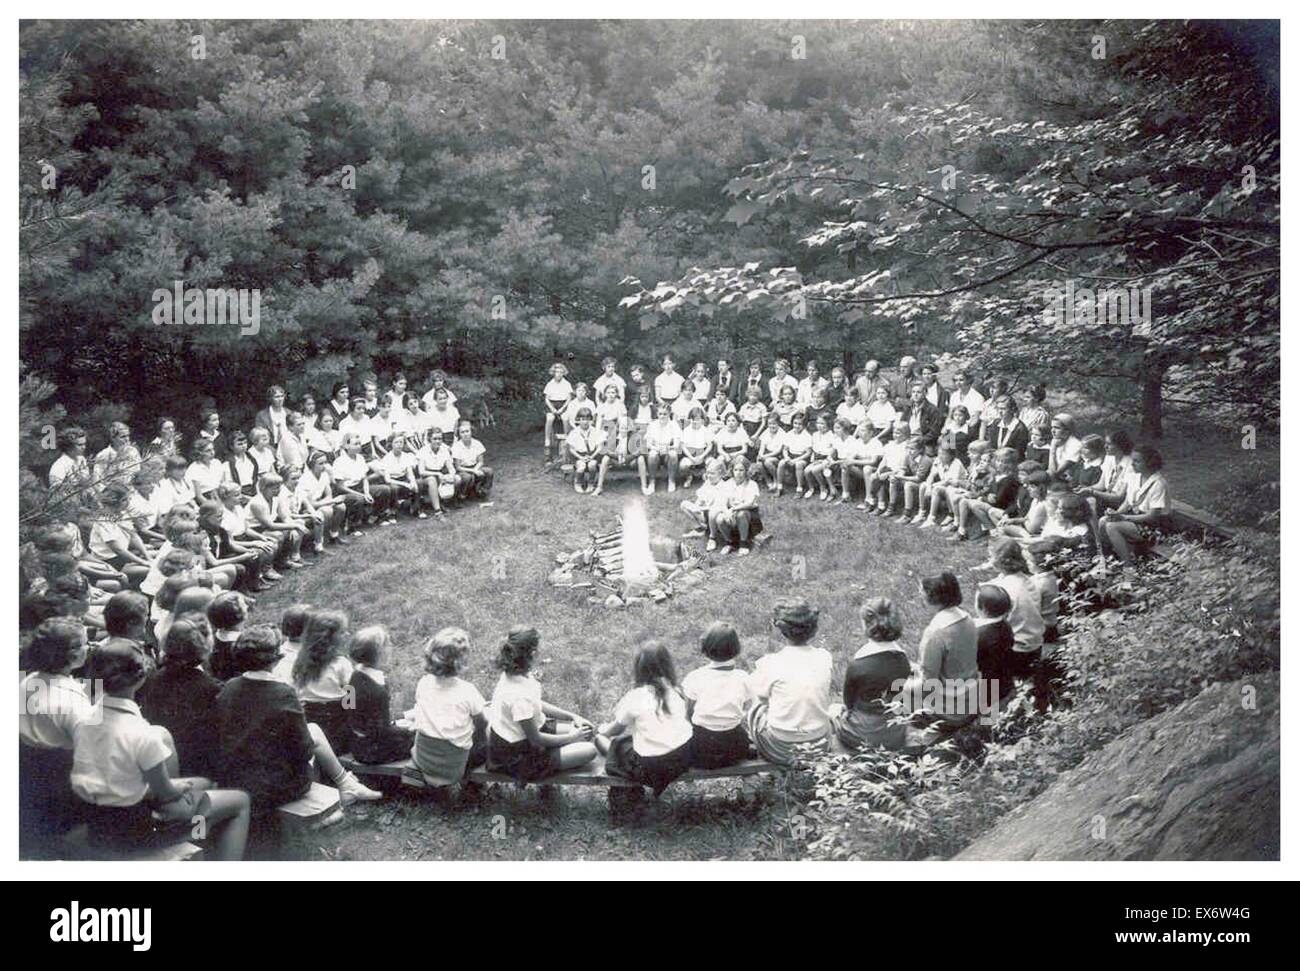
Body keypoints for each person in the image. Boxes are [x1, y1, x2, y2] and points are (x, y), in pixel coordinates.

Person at [73, 640, 252, 859]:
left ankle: (198, 830)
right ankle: (198, 837)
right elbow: (165, 793)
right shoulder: (142, 733)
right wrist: (182, 786)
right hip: (134, 833)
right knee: (239, 800)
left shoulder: (83, 719)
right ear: (140, 679)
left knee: (204, 784)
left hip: (97, 821)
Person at [217, 626, 380, 813]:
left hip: (237, 776)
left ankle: (345, 785)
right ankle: (342, 787)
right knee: (313, 736)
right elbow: (303, 747)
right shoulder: (285, 692)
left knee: (313, 729)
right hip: (275, 784)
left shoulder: (229, 687)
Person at [485, 626, 599, 781]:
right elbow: (536, 739)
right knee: (589, 750)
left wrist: (573, 716)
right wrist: (573, 737)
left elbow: (536, 704)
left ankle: (562, 748)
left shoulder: (518, 673)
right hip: (517, 755)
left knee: (586, 731)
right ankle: (550, 766)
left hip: (530, 734)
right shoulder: (518, 696)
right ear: (533, 653)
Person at [19, 617, 93, 857]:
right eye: (84, 643)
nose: (89, 647)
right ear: (70, 655)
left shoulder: (28, 680)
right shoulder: (73, 702)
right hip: (65, 787)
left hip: (30, 778)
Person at [599, 642, 695, 797]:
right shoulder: (678, 692)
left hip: (651, 767)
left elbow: (615, 729)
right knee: (634, 742)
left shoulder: (636, 697)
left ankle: (624, 789)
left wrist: (602, 731)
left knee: (616, 744)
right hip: (682, 759)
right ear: (668, 666)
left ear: (639, 669)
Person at [746, 601, 833, 765]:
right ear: (814, 629)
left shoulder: (769, 663)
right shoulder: (824, 657)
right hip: (819, 744)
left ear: (781, 630)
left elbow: (762, 698)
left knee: (756, 702)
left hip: (779, 749)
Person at [138, 616, 224, 779]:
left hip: (155, 763)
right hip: (190, 770)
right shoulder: (212, 689)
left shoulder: (150, 679)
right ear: (205, 646)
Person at [408, 627, 489, 788]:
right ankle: (475, 786)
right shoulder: (467, 690)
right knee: (488, 736)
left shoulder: (424, 682)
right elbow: (482, 723)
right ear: (462, 661)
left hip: (425, 758)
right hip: (454, 765)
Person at [832, 598, 911, 751]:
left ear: (867, 625)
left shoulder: (858, 664)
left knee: (833, 710)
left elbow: (848, 703)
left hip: (863, 736)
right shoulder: (903, 660)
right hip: (895, 732)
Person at [909, 571, 980, 728]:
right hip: (972, 695)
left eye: (922, 592)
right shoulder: (967, 618)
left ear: (932, 598)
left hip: (951, 710)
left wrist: (904, 685)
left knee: (895, 687)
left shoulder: (935, 633)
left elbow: (928, 684)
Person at [682, 622, 753, 768]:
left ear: (705, 648)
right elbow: (746, 707)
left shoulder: (695, 677)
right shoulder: (743, 677)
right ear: (736, 649)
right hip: (735, 748)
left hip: (702, 748)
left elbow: (688, 712)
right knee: (741, 735)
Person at [346, 626, 416, 764]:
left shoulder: (354, 676)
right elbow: (382, 732)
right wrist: (408, 729)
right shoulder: (377, 690)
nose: (391, 647)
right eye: (388, 645)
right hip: (373, 751)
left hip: (356, 743)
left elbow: (347, 706)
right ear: (380, 652)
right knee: (421, 740)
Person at [291, 609, 355, 756]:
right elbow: (350, 699)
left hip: (308, 723)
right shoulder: (341, 664)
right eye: (343, 632)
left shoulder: (300, 662)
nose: (347, 635)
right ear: (329, 637)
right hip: (336, 724)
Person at [1102, 444, 1170, 564]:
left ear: (1149, 463)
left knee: (1112, 526)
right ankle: (1108, 558)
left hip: (1153, 527)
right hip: (1135, 519)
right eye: (1132, 460)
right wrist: (1116, 513)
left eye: (1137, 461)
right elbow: (1128, 502)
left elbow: (1152, 516)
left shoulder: (1158, 484)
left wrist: (1123, 517)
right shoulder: (1133, 477)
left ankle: (1128, 566)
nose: (1132, 464)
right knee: (1104, 520)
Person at [986, 540, 1046, 678]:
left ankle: (995, 693)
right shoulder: (1027, 580)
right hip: (1035, 641)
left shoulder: (1004, 591)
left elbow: (995, 621)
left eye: (991, 556)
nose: (989, 560)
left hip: (1018, 647)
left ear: (999, 561)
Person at [974, 584, 1016, 714]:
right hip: (1004, 682)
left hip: (985, 690)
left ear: (982, 608)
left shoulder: (977, 635)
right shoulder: (1005, 626)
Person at [712, 457, 762, 555]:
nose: (738, 473)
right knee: (719, 518)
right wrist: (726, 512)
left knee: (741, 514)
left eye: (741, 470)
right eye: (735, 470)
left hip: (749, 515)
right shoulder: (728, 484)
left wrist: (734, 509)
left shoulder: (752, 484)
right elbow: (722, 501)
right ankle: (730, 543)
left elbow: (750, 503)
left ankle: (743, 544)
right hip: (732, 512)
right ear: (732, 470)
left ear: (746, 471)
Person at [681, 457, 728, 542]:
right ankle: (700, 528)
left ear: (720, 473)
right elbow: (701, 497)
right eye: (708, 473)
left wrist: (700, 509)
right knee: (684, 504)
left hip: (715, 516)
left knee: (711, 514)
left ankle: (713, 533)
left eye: (712, 473)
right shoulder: (708, 483)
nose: (709, 476)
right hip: (705, 512)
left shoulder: (724, 487)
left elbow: (716, 508)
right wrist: (697, 506)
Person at [206, 590, 249, 681]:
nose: (247, 606)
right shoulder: (242, 643)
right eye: (244, 604)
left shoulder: (216, 636)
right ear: (238, 615)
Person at [641, 404, 681, 495]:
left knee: (673, 454)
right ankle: (652, 481)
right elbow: (648, 444)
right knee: (652, 454)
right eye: (660, 414)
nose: (662, 416)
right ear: (657, 414)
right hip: (656, 449)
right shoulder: (652, 424)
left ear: (669, 414)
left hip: (668, 450)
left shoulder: (674, 425)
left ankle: (671, 480)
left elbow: (677, 444)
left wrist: (668, 448)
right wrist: (657, 448)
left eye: (665, 414)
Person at [775, 410, 813, 498]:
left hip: (802, 457)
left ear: (804, 425)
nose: (797, 426)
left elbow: (808, 453)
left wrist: (796, 460)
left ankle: (799, 489)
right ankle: (779, 487)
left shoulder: (806, 436)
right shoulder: (789, 434)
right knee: (781, 463)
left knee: (799, 464)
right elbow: (785, 449)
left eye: (800, 424)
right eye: (795, 423)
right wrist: (787, 457)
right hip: (790, 456)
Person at [451, 420, 493, 500]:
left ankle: (483, 491)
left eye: (467, 431)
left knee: (489, 471)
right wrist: (473, 471)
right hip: (463, 469)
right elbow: (458, 467)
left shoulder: (477, 443)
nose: (465, 434)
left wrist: (476, 469)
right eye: (462, 432)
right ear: (459, 434)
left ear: (471, 432)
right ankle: (463, 494)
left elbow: (481, 461)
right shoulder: (456, 447)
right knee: (467, 477)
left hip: (475, 466)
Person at [565, 407, 602, 494]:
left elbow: (599, 447)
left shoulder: (595, 431)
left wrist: (592, 456)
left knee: (592, 465)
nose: (585, 422)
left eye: (587, 419)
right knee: (581, 467)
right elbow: (571, 449)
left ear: (591, 420)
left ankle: (591, 482)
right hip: (578, 456)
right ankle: (578, 482)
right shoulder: (574, 432)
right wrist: (580, 457)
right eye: (583, 419)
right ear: (578, 420)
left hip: (592, 455)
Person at [678, 407, 715, 489]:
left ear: (702, 420)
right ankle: (689, 477)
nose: (695, 421)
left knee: (712, 462)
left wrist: (702, 456)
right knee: (683, 465)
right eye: (692, 419)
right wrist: (691, 457)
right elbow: (683, 446)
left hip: (703, 454)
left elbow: (710, 445)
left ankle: (705, 475)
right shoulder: (686, 430)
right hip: (690, 454)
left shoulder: (705, 430)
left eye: (698, 419)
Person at [48, 426, 90, 492]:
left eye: (84, 444)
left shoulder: (81, 460)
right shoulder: (60, 465)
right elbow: (56, 491)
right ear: (69, 446)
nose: (83, 447)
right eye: (79, 445)